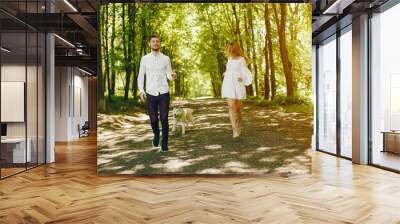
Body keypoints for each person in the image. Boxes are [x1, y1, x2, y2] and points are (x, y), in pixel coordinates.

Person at [137, 34, 177, 152]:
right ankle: (156, 134)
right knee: (153, 119)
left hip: (164, 92)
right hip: (150, 92)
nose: (155, 43)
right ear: (150, 43)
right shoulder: (144, 59)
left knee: (164, 118)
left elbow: (169, 74)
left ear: (160, 44)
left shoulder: (166, 59)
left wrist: (172, 76)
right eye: (153, 41)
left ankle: (165, 143)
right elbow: (141, 75)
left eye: (157, 41)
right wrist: (141, 90)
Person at [221, 42, 253, 138]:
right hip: (228, 83)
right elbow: (230, 70)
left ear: (234, 49)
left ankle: (238, 126)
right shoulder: (229, 59)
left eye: (230, 49)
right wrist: (225, 73)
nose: (229, 51)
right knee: (231, 107)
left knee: (238, 108)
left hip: (238, 83)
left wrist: (243, 79)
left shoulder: (241, 59)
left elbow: (245, 71)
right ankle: (234, 129)